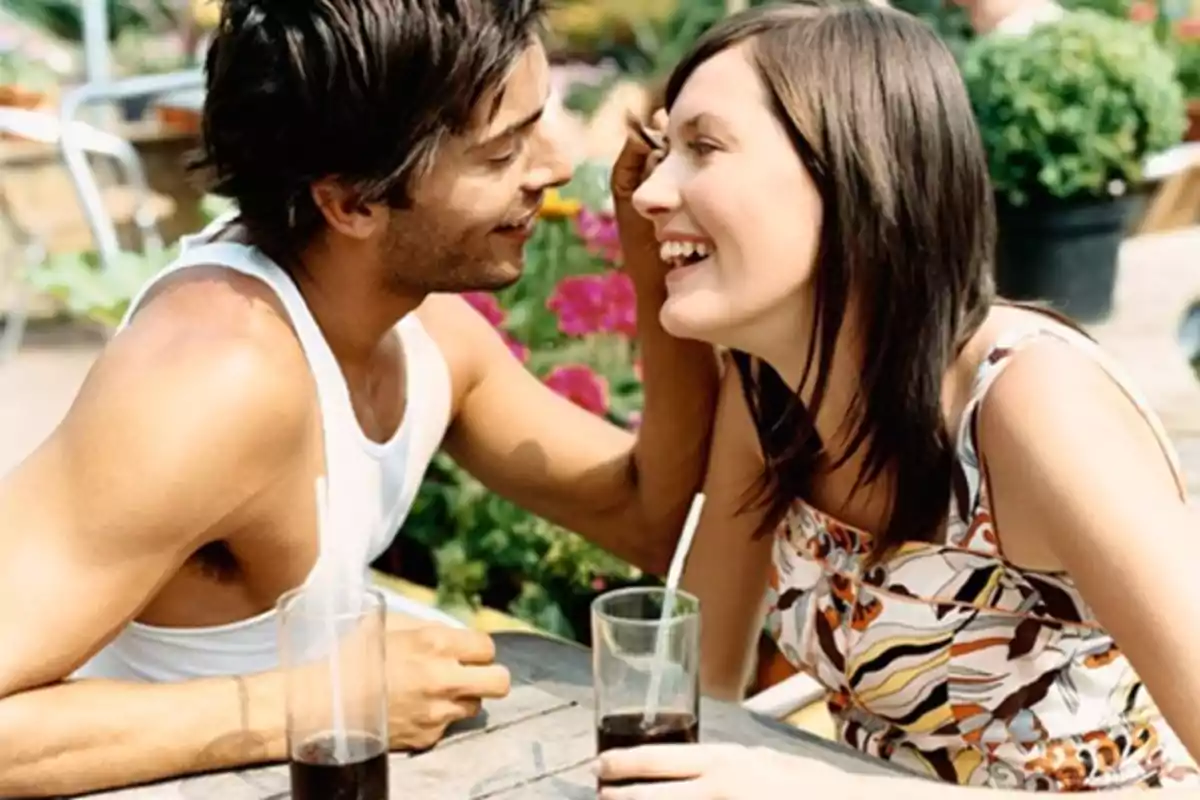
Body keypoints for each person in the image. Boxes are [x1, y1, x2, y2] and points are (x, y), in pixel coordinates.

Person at [0, 0, 718, 796]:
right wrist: (317, 703)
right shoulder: (212, 376)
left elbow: (654, 520)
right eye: (501, 151)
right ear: (352, 203)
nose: (552, 167)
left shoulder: (430, 335)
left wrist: (660, 268)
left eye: (538, 124)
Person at [594, 2, 1200, 797]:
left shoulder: (1030, 406)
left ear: (853, 173)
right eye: (662, 149)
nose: (648, 193)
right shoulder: (771, 390)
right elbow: (704, 684)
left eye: (703, 147)